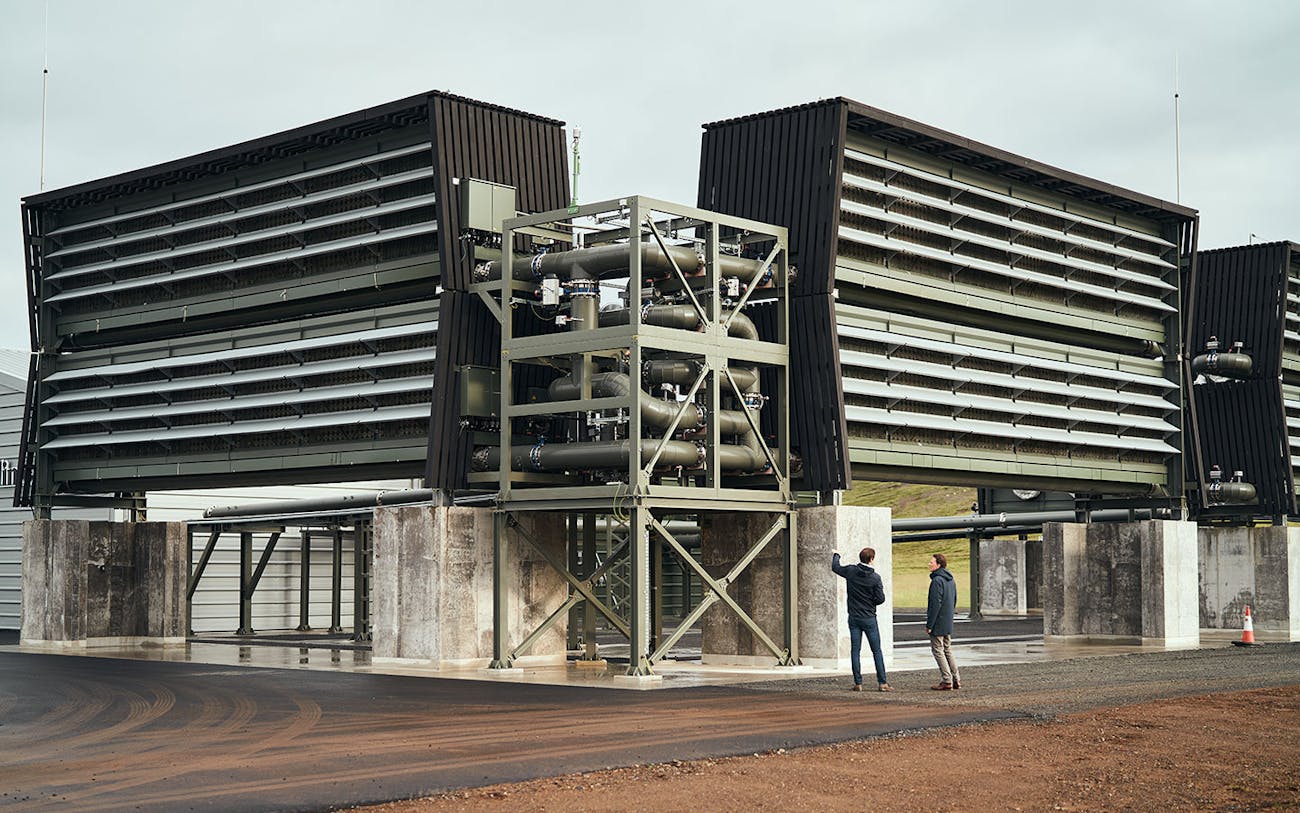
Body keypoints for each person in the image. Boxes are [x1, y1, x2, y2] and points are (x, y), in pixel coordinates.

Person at [831, 547, 893, 692]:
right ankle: (882, 683)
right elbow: (880, 599)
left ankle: (858, 683)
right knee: (876, 650)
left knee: (855, 650)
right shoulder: (875, 578)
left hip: (854, 617)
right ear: (872, 559)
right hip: (869, 618)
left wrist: (836, 554)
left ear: (860, 558)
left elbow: (835, 567)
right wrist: (871, 601)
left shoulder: (851, 571)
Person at [925, 552, 961, 690]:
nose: (929, 564)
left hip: (938, 621)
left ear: (938, 564)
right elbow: (954, 599)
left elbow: (935, 605)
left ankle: (947, 680)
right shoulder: (950, 579)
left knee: (938, 650)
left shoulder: (937, 581)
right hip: (947, 619)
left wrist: (929, 625)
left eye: (931, 562)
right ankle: (956, 678)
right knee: (947, 649)